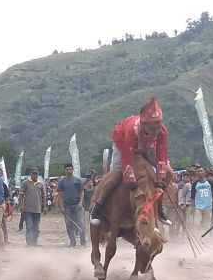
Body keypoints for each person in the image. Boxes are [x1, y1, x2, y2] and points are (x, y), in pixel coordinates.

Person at [90, 98, 172, 226]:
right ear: (144, 124)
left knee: (170, 173)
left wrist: (160, 182)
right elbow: (127, 160)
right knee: (115, 176)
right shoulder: (132, 131)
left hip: (147, 145)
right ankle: (98, 206)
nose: (156, 132)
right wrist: (133, 186)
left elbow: (161, 155)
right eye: (152, 128)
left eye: (158, 128)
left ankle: (158, 206)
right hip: (123, 145)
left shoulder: (161, 131)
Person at [57, 163, 86, 247]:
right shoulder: (62, 182)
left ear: (73, 170)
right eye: (67, 169)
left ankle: (83, 242)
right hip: (67, 206)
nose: (69, 171)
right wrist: (61, 206)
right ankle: (72, 242)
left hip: (77, 205)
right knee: (69, 224)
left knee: (81, 224)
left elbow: (81, 192)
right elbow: (60, 194)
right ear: (64, 170)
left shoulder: (78, 180)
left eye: (70, 169)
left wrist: (80, 202)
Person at [20, 168, 46, 247]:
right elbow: (21, 194)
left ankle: (34, 242)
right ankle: (29, 243)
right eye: (33, 173)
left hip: (37, 209)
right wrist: (21, 205)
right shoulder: (25, 183)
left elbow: (44, 196)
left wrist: (44, 207)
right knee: (29, 226)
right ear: (30, 174)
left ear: (38, 174)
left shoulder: (41, 184)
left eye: (36, 173)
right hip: (27, 209)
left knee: (36, 228)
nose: (35, 175)